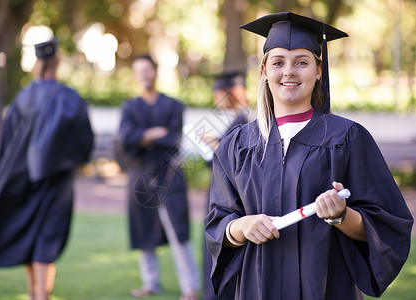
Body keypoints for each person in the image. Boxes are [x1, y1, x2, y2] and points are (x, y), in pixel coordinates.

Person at [204, 12, 413, 300]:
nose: (289, 71)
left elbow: (388, 225)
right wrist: (241, 226)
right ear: (264, 71)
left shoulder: (347, 138)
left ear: (318, 70)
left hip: (327, 286)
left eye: (302, 62)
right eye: (278, 62)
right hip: (257, 287)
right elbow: (218, 223)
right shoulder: (237, 145)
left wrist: (342, 215)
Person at [0, 37, 94, 300]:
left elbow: (7, 144)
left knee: (30, 235)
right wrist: (70, 162)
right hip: (57, 182)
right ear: (57, 61)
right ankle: (41, 295)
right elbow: (85, 141)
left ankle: (36, 293)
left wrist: (0, 180)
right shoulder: (69, 97)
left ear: (36, 64)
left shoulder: (22, 98)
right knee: (47, 239)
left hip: (23, 179)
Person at [118, 54, 200, 300]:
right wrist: (152, 134)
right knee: (144, 233)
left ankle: (190, 287)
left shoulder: (173, 105)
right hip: (140, 174)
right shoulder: (130, 107)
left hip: (169, 175)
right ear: (134, 75)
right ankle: (150, 282)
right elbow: (125, 139)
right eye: (138, 70)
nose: (143, 74)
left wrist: (141, 137)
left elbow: (172, 138)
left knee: (177, 231)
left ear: (155, 71)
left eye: (147, 69)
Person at [200, 71, 251, 300]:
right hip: (222, 191)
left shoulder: (244, 121)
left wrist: (216, 145)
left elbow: (237, 161)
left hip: (231, 196)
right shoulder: (234, 119)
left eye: (218, 93)